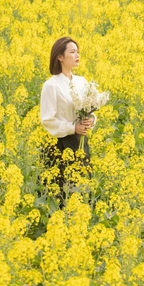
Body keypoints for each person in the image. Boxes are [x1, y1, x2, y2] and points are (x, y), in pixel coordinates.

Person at [39, 36, 97, 206]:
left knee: (82, 191)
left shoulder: (82, 82)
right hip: (60, 145)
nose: (77, 55)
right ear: (60, 57)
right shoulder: (51, 85)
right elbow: (47, 120)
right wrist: (73, 128)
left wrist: (90, 120)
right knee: (62, 194)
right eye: (72, 52)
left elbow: (91, 108)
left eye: (77, 52)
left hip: (81, 143)